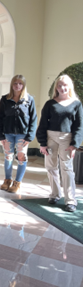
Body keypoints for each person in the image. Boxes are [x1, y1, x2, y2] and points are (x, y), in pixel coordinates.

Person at [37, 75, 83, 213]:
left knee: (67, 168)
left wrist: (74, 144)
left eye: (65, 85)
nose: (62, 88)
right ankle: (55, 194)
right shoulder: (50, 104)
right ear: (56, 87)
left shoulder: (76, 104)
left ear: (70, 86)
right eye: (59, 85)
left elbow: (79, 126)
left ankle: (70, 200)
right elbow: (43, 124)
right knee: (51, 166)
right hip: (50, 138)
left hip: (67, 139)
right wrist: (42, 143)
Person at [0, 75, 37, 194]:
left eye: (20, 83)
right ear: (12, 85)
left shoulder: (29, 99)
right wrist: (1, 136)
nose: (17, 85)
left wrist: (30, 136)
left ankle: (17, 182)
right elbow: (0, 118)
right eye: (15, 83)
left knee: (21, 157)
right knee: (8, 157)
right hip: (8, 133)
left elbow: (33, 119)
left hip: (22, 135)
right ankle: (7, 180)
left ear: (23, 85)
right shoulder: (5, 99)